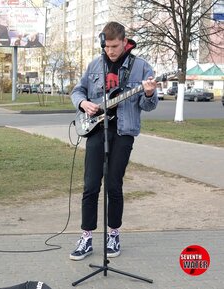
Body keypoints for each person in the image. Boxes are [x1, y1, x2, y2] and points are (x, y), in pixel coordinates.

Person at [69, 22, 158, 261]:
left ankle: (113, 234)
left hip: (123, 132)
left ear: (124, 41)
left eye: (115, 46)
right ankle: (86, 237)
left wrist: (148, 92)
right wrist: (83, 104)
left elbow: (149, 105)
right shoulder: (95, 64)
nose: (111, 51)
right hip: (97, 130)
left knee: (113, 185)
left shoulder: (140, 67)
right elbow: (77, 91)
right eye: (107, 46)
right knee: (90, 186)